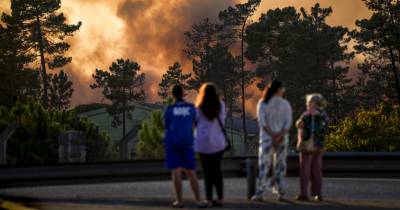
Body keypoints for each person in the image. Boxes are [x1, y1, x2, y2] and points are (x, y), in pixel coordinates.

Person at [163, 85, 206, 208]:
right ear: (183, 94)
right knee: (191, 172)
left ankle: (179, 201)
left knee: (176, 172)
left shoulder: (170, 109)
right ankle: (198, 201)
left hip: (173, 143)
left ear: (172, 94)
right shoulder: (191, 108)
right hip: (187, 143)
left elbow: (166, 125)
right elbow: (196, 123)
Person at [251, 80, 293, 201]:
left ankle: (260, 193)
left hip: (266, 139)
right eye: (282, 89)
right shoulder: (285, 104)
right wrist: (279, 136)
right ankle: (281, 193)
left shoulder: (262, 103)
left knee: (264, 165)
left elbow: (262, 123)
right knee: (280, 165)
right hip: (282, 139)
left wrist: (272, 135)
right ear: (279, 90)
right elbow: (288, 123)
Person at [194, 83, 227, 207]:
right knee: (217, 171)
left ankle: (208, 200)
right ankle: (220, 199)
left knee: (207, 173)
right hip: (218, 143)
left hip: (203, 144)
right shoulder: (221, 106)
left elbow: (195, 123)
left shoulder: (198, 107)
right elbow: (223, 120)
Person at [295, 93, 329, 201]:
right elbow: (324, 130)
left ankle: (304, 194)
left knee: (305, 170)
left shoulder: (306, 115)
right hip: (319, 146)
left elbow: (301, 127)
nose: (307, 104)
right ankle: (318, 194)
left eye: (309, 102)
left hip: (307, 147)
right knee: (317, 170)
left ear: (314, 103)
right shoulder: (324, 116)